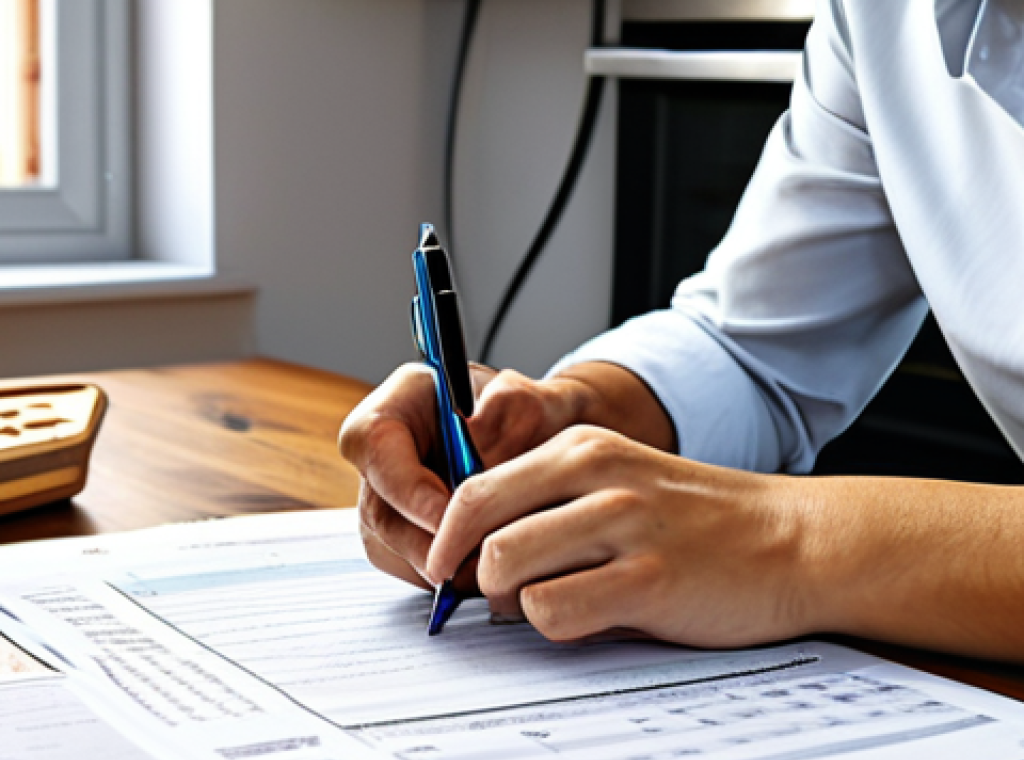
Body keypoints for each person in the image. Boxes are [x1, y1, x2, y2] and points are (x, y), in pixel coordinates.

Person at [340, 0, 1024, 663]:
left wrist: (786, 539)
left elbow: (779, 519)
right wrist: (562, 417)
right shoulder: (881, 16)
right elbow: (753, 349)